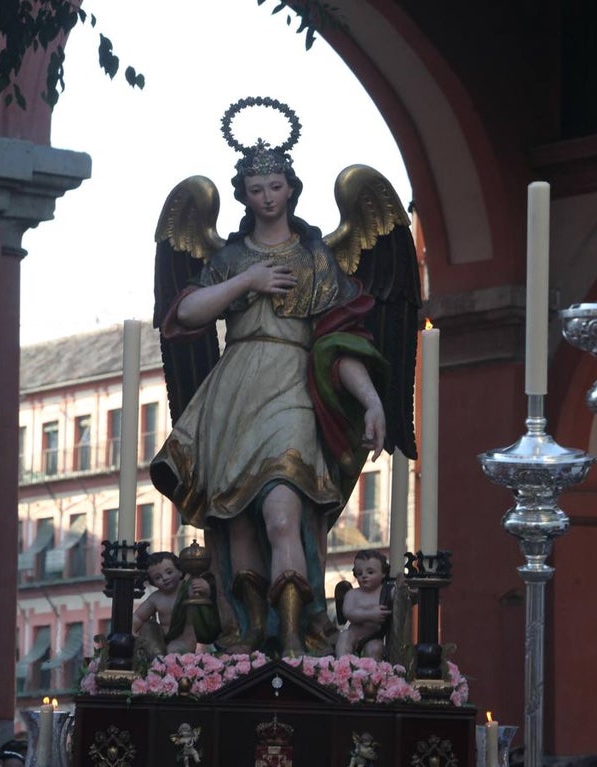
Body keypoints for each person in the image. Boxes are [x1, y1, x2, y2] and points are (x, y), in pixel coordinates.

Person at [150, 97, 418, 656]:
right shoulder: (229, 257)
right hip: (234, 390)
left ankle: (296, 635)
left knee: (281, 510)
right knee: (237, 521)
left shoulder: (318, 259)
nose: (266, 197)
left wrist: (372, 401)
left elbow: (343, 342)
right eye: (255, 189)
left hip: (293, 387)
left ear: (290, 188)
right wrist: (245, 281)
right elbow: (185, 314)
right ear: (244, 194)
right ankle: (245, 635)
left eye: (275, 186)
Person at [133, 551, 215, 654]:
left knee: (174, 650)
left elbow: (206, 600)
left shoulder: (188, 588)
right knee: (148, 629)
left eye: (169, 572)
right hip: (163, 640)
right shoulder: (155, 598)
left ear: (180, 571)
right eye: (157, 577)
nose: (165, 578)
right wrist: (132, 631)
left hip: (186, 640)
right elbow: (139, 617)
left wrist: (205, 588)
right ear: (152, 582)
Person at [335, 550, 393, 659]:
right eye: (359, 573)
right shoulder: (352, 594)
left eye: (370, 572)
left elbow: (401, 598)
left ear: (383, 573)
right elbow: (348, 612)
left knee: (375, 648)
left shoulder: (387, 592)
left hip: (374, 637)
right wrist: (371, 615)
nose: (364, 576)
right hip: (354, 635)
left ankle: (371, 673)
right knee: (344, 636)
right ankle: (342, 666)